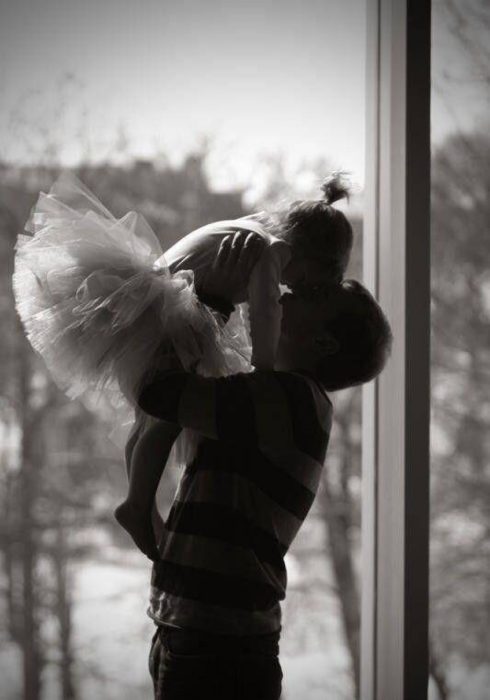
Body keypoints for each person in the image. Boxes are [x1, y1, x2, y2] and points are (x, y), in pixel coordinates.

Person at [13, 172, 355, 561]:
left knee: (152, 417)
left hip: (155, 308)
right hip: (166, 312)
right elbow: (264, 310)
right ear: (313, 258)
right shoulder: (270, 250)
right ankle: (139, 503)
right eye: (312, 285)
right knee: (165, 417)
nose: (296, 291)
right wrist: (264, 372)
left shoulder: (253, 231)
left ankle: (137, 501)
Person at [137, 247, 393, 699]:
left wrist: (208, 303)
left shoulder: (291, 401)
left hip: (217, 648)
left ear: (324, 342)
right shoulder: (284, 399)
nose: (284, 295)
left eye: (308, 296)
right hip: (205, 635)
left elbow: (160, 393)